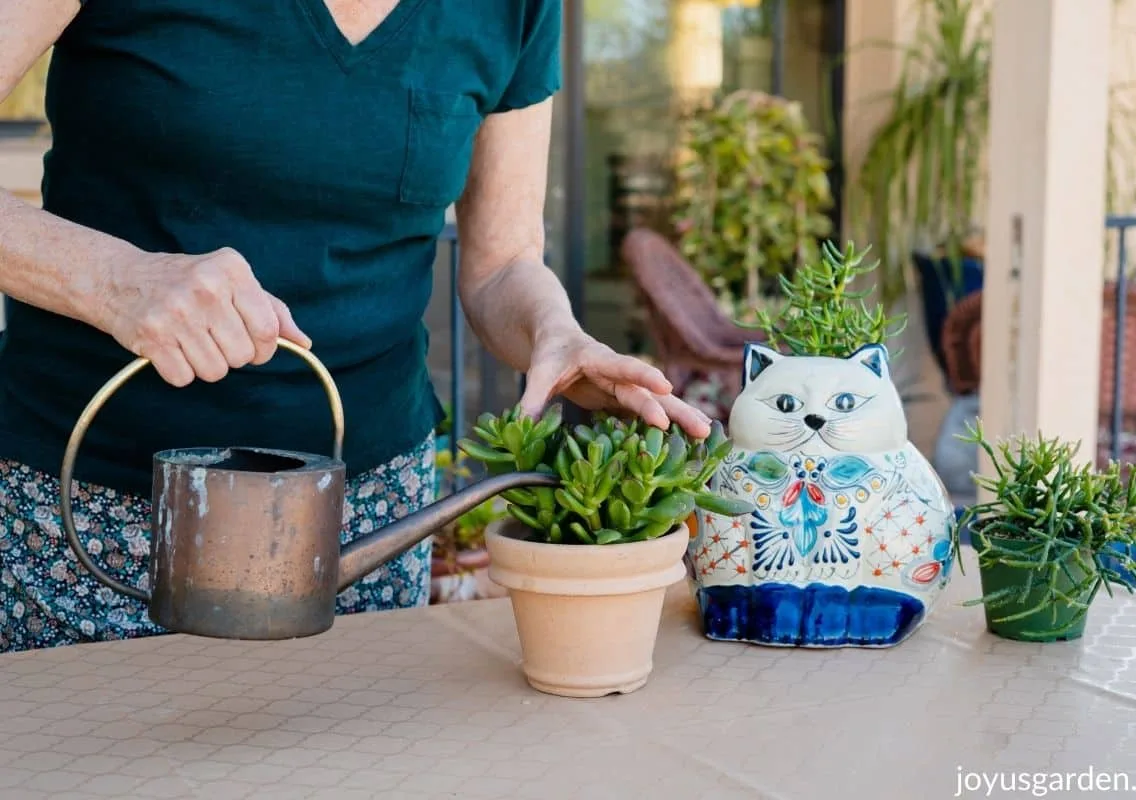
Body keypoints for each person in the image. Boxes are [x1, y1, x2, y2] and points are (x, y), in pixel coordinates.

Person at [0, 0, 711, 653]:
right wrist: (116, 280)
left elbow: (502, 263)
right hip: (87, 511)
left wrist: (555, 329)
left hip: (364, 514)